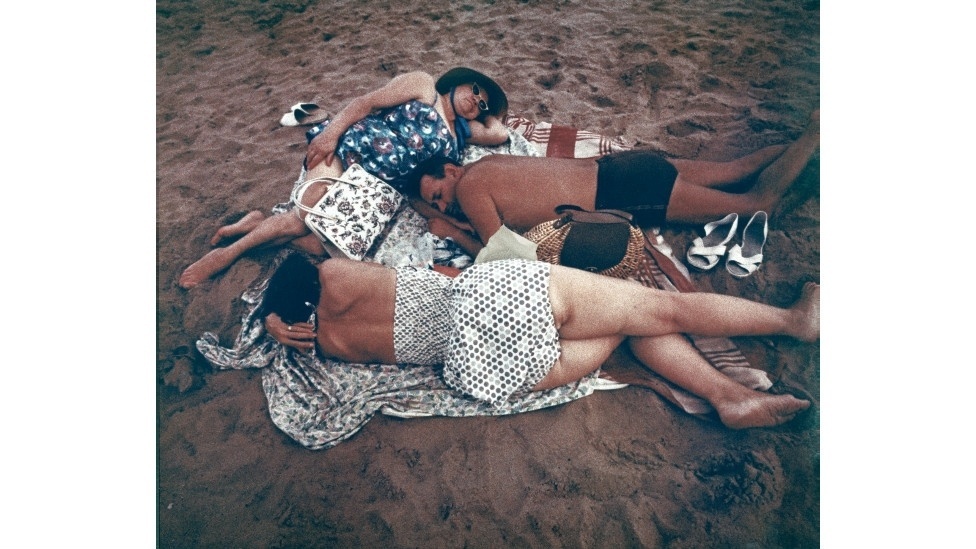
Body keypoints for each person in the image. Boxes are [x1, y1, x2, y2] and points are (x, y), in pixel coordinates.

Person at [259, 252, 820, 429]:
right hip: (488, 300)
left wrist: (271, 323)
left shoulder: (317, 341)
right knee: (652, 308)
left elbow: (272, 314)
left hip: (476, 369)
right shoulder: (334, 274)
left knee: (630, 323)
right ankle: (795, 322)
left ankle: (731, 399)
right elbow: (431, 274)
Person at [179, 67, 510, 289]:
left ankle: (256, 223)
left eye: (482, 104)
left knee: (321, 244)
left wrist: (489, 111)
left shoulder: (457, 139)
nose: (475, 101)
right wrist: (330, 135)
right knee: (309, 217)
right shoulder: (424, 87)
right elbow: (366, 103)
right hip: (347, 151)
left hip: (372, 189)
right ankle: (227, 254)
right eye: (475, 90)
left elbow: (499, 132)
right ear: (459, 80)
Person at [409, 111, 819, 257]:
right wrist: (434, 209)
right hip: (623, 167)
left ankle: (815, 135)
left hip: (626, 194)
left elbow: (501, 254)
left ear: (451, 171)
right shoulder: (491, 162)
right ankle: (807, 152)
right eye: (440, 206)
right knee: (735, 170)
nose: (446, 205)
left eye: (439, 196)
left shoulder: (468, 188)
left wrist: (448, 230)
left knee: (755, 204)